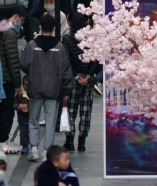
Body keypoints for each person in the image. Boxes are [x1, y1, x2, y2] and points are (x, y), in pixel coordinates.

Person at [21, 14, 73, 162]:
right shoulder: (59, 47)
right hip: (53, 89)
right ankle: (46, 153)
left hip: (35, 87)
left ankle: (34, 149)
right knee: (50, 122)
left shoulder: (32, 45)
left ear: (40, 27)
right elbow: (66, 71)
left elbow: (24, 64)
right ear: (54, 28)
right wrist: (67, 90)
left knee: (33, 119)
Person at [62, 12, 99, 153]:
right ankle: (82, 141)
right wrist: (88, 76)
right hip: (88, 80)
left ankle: (69, 140)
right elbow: (95, 60)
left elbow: (67, 61)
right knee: (86, 111)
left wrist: (76, 77)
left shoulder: (67, 39)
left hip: (73, 80)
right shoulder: (92, 39)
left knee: (71, 111)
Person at [0, 5, 26, 154]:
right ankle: (3, 142)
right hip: (6, 79)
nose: (20, 23)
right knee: (7, 112)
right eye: (20, 20)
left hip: (1, 77)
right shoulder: (10, 32)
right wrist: (17, 83)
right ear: (15, 17)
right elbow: (13, 60)